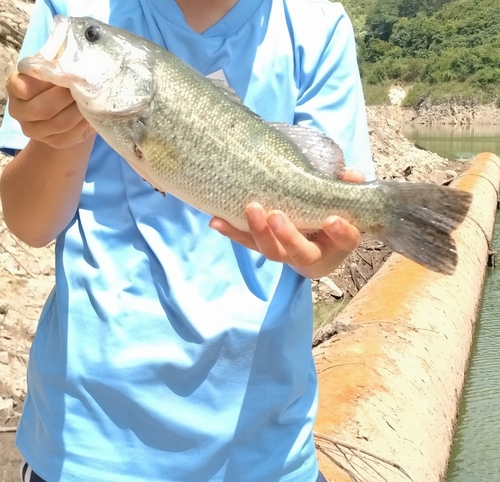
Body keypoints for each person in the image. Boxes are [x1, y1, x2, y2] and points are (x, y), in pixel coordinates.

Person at [0, 0, 375, 480]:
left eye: (94, 37)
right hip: (89, 443)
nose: (83, 37)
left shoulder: (316, 26)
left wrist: (326, 250)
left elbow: (326, 246)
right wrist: (58, 138)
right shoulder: (73, 9)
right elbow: (30, 224)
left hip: (263, 445)